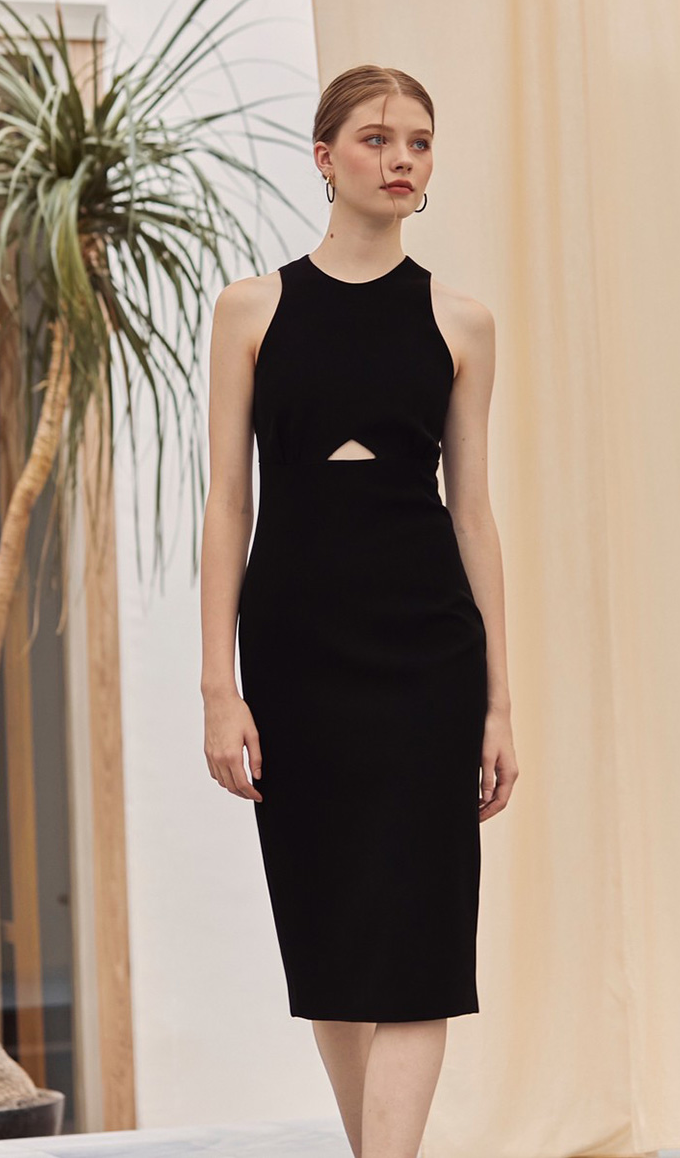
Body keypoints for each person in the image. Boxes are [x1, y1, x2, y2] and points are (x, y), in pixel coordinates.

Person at [200, 64, 518, 1158]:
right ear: (326, 156)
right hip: (295, 655)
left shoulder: (462, 321)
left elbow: (472, 514)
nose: (401, 159)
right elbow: (227, 504)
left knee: (423, 941)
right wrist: (218, 688)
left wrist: (499, 704)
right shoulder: (251, 309)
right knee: (329, 937)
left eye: (419, 142)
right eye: (377, 138)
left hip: (428, 653)